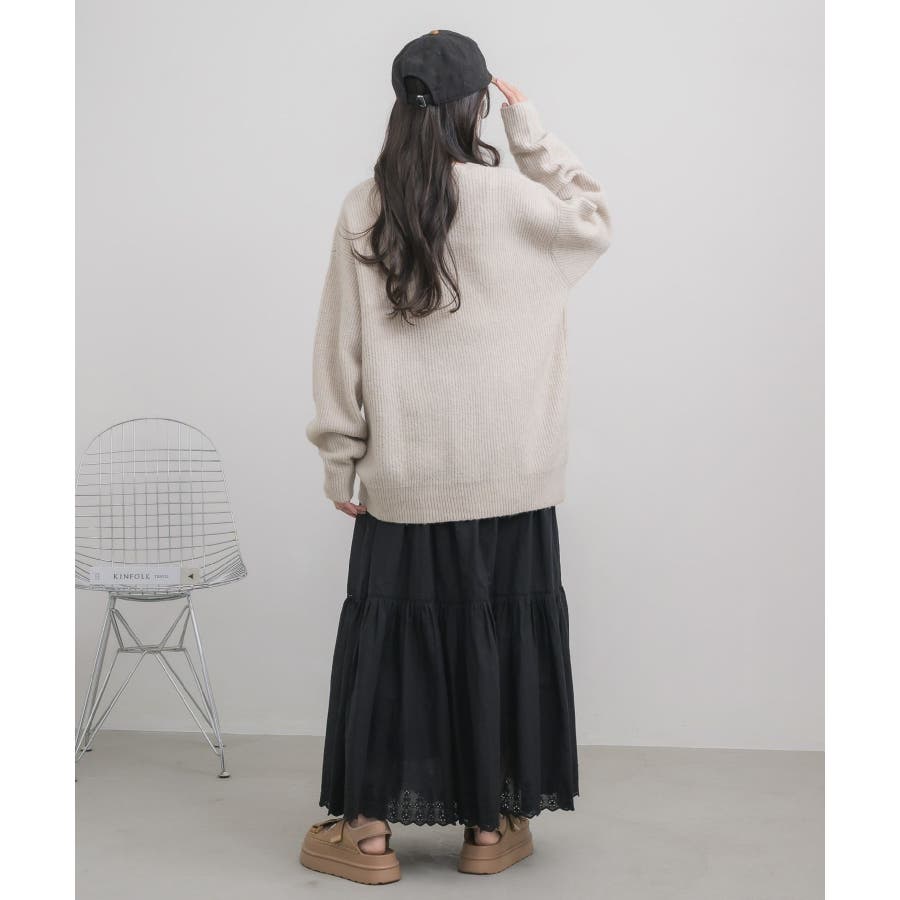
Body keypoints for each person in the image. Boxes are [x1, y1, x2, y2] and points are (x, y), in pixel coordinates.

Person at [301, 29, 611, 885]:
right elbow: (594, 214)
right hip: (514, 479)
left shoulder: (367, 206)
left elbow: (339, 345)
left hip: (407, 480)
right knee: (495, 643)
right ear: (476, 103)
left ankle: (367, 837)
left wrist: (341, 459)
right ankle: (486, 829)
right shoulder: (518, 202)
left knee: (395, 650)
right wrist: (529, 128)